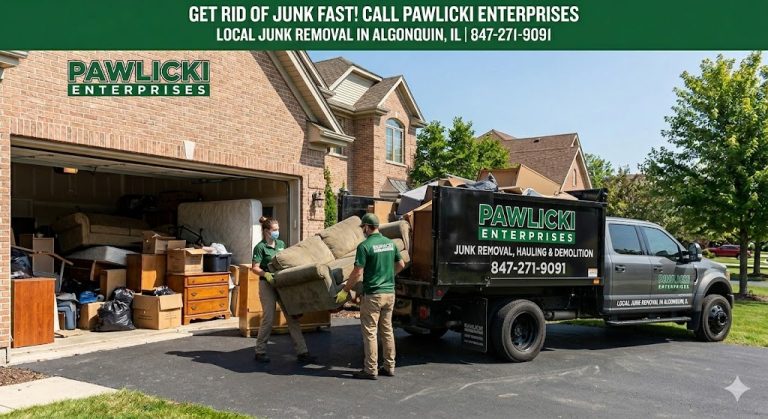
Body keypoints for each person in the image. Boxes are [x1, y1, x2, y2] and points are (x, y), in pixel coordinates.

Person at [336, 213, 405, 380]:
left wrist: (345, 290)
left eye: (363, 228)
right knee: (387, 331)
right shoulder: (390, 243)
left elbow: (357, 271)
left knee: (370, 332)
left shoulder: (364, 246)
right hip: (389, 293)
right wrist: (388, 277)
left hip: (373, 295)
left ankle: (370, 369)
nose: (363, 231)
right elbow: (401, 264)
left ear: (367, 227)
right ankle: (389, 366)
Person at [251, 216, 315, 364]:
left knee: (292, 316)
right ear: (266, 231)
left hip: (281, 282)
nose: (277, 232)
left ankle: (302, 352)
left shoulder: (281, 244)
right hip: (267, 284)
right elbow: (254, 267)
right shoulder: (260, 247)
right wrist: (265, 274)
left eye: (278, 229)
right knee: (268, 317)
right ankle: (260, 351)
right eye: (274, 230)